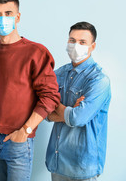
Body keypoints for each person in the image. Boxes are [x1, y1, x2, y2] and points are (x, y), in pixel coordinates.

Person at [0, 0, 61, 181]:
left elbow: (50, 96)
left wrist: (25, 131)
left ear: (18, 17)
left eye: (8, 13)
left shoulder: (35, 52)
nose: (2, 18)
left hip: (18, 141)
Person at [46, 22, 111, 181]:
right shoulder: (59, 74)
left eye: (82, 42)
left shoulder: (99, 80)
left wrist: (62, 110)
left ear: (92, 46)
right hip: (57, 160)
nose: (76, 46)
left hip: (82, 165)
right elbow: (45, 111)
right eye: (72, 40)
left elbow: (77, 118)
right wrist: (69, 110)